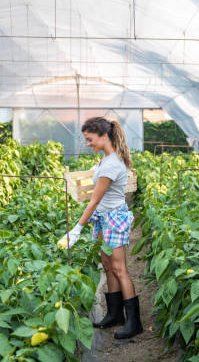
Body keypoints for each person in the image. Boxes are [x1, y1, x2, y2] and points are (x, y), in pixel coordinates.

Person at [58, 117, 142, 339]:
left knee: (119, 268)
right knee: (107, 265)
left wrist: (76, 229)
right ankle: (115, 314)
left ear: (104, 136)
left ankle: (134, 322)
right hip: (104, 218)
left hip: (114, 218)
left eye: (90, 139)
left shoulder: (112, 164)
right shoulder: (105, 159)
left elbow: (94, 200)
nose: (88, 144)